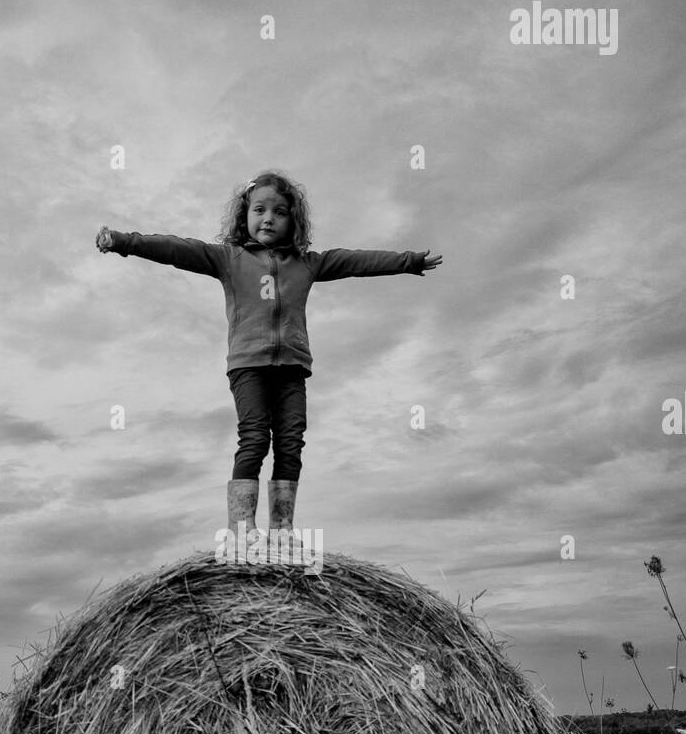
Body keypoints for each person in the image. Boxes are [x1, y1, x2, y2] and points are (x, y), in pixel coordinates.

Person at [96, 169, 442, 554]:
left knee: (291, 443)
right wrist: (124, 242)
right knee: (256, 437)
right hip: (248, 365)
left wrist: (408, 261)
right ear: (244, 216)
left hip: (292, 366)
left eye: (279, 212)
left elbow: (355, 261)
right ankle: (242, 529)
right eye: (259, 209)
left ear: (293, 220)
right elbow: (176, 249)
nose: (268, 218)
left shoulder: (308, 264)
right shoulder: (228, 259)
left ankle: (281, 530)